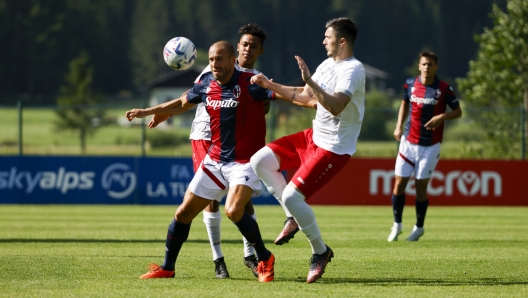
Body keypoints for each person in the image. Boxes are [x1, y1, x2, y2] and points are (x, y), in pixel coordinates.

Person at [132, 41, 277, 282]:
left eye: (219, 59)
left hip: (244, 162)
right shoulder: (206, 83)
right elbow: (181, 103)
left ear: (233, 60)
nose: (214, 64)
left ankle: (264, 257)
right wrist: (148, 111)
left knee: (233, 210)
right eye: (211, 59)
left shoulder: (250, 83)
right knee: (182, 213)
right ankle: (168, 267)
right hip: (215, 160)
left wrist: (311, 94)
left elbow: (283, 94)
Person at [249, 17, 365, 283]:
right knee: (260, 161)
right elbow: (304, 95)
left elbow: (335, 106)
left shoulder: (353, 70)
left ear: (342, 41)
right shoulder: (327, 64)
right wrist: (269, 85)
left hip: (333, 148)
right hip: (312, 137)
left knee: (291, 196)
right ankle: (292, 217)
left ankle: (320, 252)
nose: (324, 40)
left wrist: (311, 81)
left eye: (328, 36)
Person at [387, 51, 462, 242]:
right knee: (399, 184)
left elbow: (458, 111)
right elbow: (404, 104)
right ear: (419, 66)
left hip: (430, 146)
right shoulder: (410, 84)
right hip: (408, 143)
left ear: (436, 67)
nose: (427, 67)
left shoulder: (444, 89)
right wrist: (398, 126)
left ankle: (419, 227)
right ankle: (397, 225)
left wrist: (441, 117)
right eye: (424, 64)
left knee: (420, 187)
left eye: (430, 64)